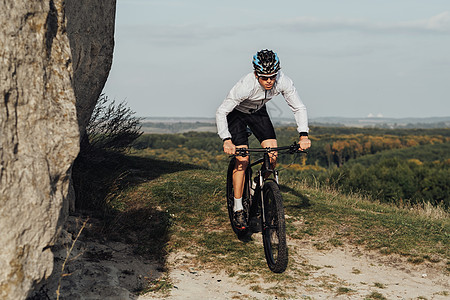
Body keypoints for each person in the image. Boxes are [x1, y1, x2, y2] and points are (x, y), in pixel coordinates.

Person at [216, 49, 311, 230]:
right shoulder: (245, 86)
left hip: (258, 113)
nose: (269, 81)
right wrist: (226, 139)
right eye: (264, 77)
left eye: (272, 77)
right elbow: (221, 111)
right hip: (237, 115)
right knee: (243, 159)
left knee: (272, 156)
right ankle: (238, 209)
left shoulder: (283, 81)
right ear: (256, 74)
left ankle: (254, 187)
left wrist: (303, 135)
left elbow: (298, 107)